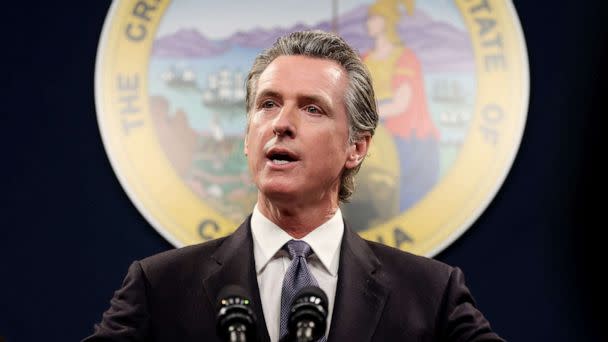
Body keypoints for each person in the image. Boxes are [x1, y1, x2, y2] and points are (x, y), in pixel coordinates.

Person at [83, 30, 503, 341]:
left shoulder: (429, 294)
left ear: (356, 147)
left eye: (312, 108)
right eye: (268, 104)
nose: (281, 124)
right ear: (248, 136)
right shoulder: (160, 288)